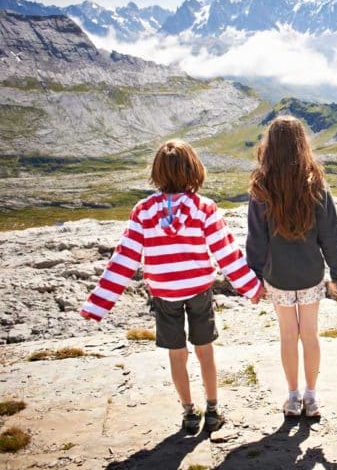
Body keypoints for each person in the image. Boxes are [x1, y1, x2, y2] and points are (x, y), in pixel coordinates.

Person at [80, 140, 263, 434]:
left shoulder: (143, 211)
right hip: (199, 291)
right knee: (205, 350)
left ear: (157, 172)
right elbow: (226, 254)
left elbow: (124, 259)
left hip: (164, 294)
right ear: (194, 169)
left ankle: (189, 413)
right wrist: (252, 288)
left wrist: (97, 304)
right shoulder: (204, 208)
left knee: (177, 354)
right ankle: (213, 410)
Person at [246, 116, 337, 418]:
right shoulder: (316, 184)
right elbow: (331, 236)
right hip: (312, 274)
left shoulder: (260, 187)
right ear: (302, 144)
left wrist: (254, 277)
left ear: (270, 146)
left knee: (288, 335)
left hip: (278, 277)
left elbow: (256, 239)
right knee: (311, 334)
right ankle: (311, 398)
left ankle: (292, 397)